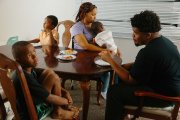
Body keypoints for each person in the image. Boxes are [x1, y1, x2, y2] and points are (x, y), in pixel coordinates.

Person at [98, 10, 180, 120]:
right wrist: (127, 66)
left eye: (135, 33)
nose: (133, 36)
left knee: (114, 92)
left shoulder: (148, 52)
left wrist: (110, 60)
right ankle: (122, 114)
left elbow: (130, 80)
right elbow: (152, 64)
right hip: (170, 88)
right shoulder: (165, 42)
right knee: (120, 74)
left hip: (164, 97)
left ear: (147, 35)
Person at [12, 41, 79, 119]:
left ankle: (58, 110)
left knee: (50, 72)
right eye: (29, 55)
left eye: (34, 51)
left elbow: (51, 78)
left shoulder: (26, 69)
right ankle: (58, 111)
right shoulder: (26, 78)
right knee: (74, 114)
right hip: (33, 113)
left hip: (33, 102)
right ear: (18, 60)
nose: (35, 56)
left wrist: (65, 92)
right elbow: (49, 97)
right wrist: (66, 102)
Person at [71, 2, 112, 99]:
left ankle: (108, 90)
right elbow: (85, 46)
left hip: (94, 55)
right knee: (107, 71)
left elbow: (105, 37)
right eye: (93, 14)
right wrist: (103, 49)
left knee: (113, 68)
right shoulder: (77, 27)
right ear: (84, 14)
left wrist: (113, 48)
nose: (95, 17)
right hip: (81, 58)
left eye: (96, 14)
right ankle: (104, 91)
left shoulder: (95, 25)